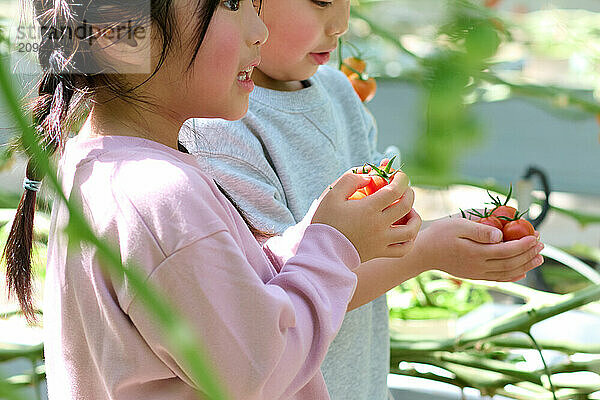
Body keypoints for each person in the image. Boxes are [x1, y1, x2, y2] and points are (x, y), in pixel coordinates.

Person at [2, 0, 420, 399]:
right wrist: (332, 246)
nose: (259, 32)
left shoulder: (102, 165)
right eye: (231, 4)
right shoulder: (160, 195)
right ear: (124, 36)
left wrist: (317, 233)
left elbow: (223, 295)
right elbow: (260, 369)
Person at [179, 0, 545, 398]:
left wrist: (445, 233)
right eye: (321, 2)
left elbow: (385, 234)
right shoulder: (217, 127)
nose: (340, 24)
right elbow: (280, 299)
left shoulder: (338, 90)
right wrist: (425, 251)